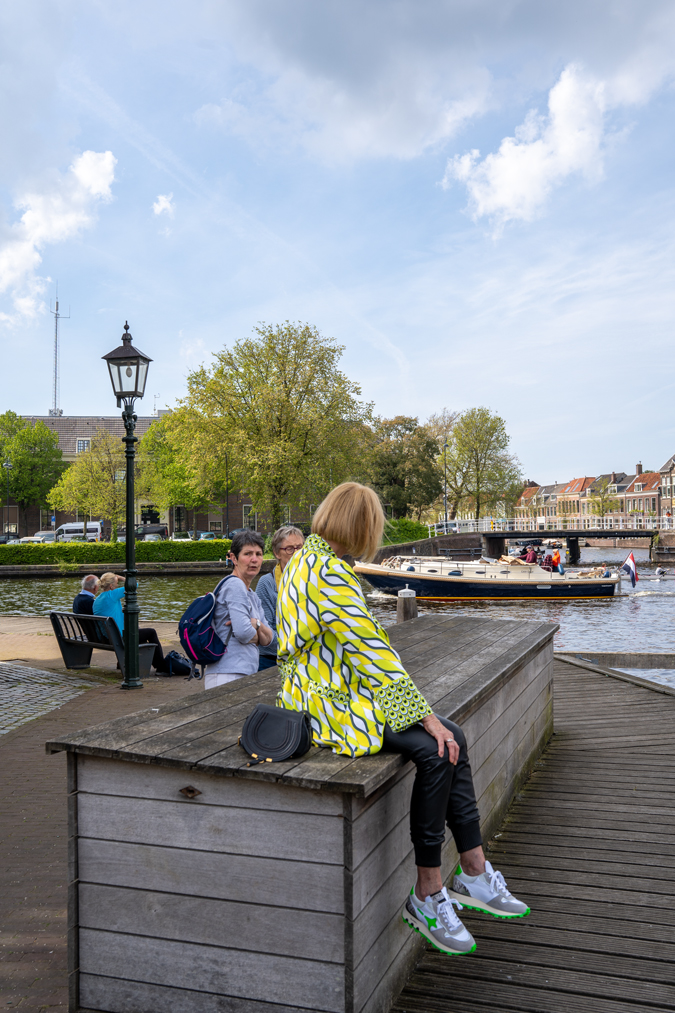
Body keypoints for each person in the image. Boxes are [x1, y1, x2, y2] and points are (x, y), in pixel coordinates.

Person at [276, 482, 529, 957]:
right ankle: (428, 891)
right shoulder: (328, 573)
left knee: (453, 737)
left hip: (322, 692)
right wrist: (425, 717)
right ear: (362, 526)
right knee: (438, 746)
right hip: (329, 705)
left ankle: (473, 868)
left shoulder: (304, 560)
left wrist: (428, 717)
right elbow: (372, 652)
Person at [203, 530, 274, 690]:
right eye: (247, 554)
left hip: (243, 672)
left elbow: (269, 639)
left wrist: (255, 623)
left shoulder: (252, 595)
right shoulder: (235, 585)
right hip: (227, 673)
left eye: (258, 554)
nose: (254, 559)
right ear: (234, 558)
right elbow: (244, 633)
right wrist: (258, 630)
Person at [93, 572, 167, 672]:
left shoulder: (97, 600)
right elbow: (134, 585)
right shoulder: (112, 595)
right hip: (119, 638)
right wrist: (121, 577)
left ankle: (123, 662)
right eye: (116, 583)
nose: (117, 586)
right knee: (151, 632)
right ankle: (161, 667)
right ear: (111, 586)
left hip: (106, 637)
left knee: (140, 634)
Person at [255, 525, 305, 671]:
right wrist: (298, 643)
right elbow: (266, 631)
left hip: (303, 658)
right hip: (271, 660)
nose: (296, 553)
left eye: (299, 548)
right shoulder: (267, 583)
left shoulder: (311, 580)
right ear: (277, 553)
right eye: (289, 549)